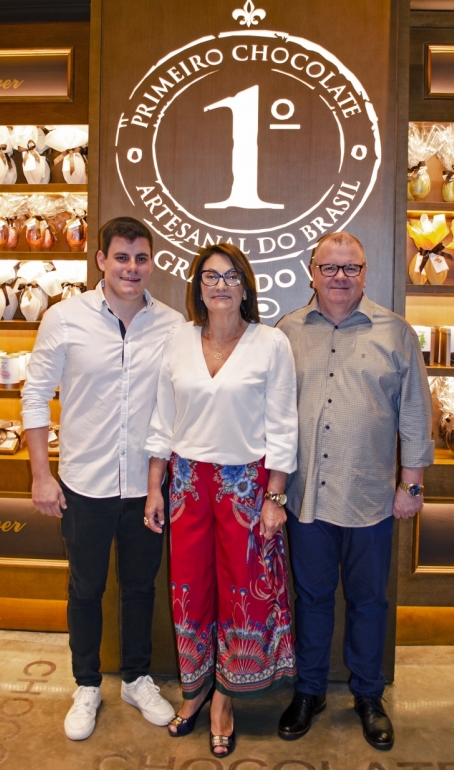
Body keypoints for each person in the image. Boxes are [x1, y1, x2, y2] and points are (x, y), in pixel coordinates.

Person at [21, 217, 184, 741]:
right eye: (121, 257)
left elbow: (176, 404)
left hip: (146, 486)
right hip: (83, 484)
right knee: (86, 588)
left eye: (141, 258)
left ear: (151, 262)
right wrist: (41, 476)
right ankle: (86, 684)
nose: (131, 268)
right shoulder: (64, 318)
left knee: (140, 587)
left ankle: (136, 679)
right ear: (101, 261)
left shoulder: (173, 324)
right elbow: (35, 395)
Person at [276, 231, 434, 751]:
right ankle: (310, 691)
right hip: (305, 497)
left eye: (351, 267)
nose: (340, 277)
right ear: (312, 272)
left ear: (365, 273)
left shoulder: (396, 332)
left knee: (369, 601)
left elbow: (415, 411)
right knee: (312, 599)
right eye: (330, 267)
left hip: (371, 497)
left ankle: (368, 695)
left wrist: (411, 484)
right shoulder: (287, 332)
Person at [144, 243, 298, 757]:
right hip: (187, 482)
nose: (221, 285)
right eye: (210, 276)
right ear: (198, 287)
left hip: (247, 484)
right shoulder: (178, 341)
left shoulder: (270, 343)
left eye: (231, 276)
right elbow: (162, 419)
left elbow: (283, 426)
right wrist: (155, 486)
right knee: (190, 590)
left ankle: (224, 700)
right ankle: (195, 690)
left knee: (241, 592)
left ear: (246, 286)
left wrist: (275, 497)